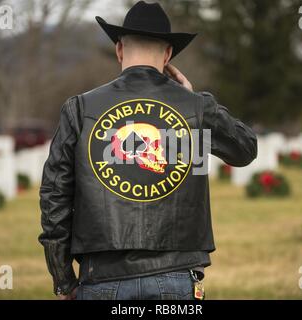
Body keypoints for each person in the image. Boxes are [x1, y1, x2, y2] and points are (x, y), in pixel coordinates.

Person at [38, 1, 257, 300]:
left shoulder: (79, 108)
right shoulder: (196, 108)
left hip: (100, 277)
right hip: (177, 277)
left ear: (119, 50)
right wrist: (197, 103)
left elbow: (54, 197)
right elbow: (245, 149)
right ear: (168, 54)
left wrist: (63, 279)